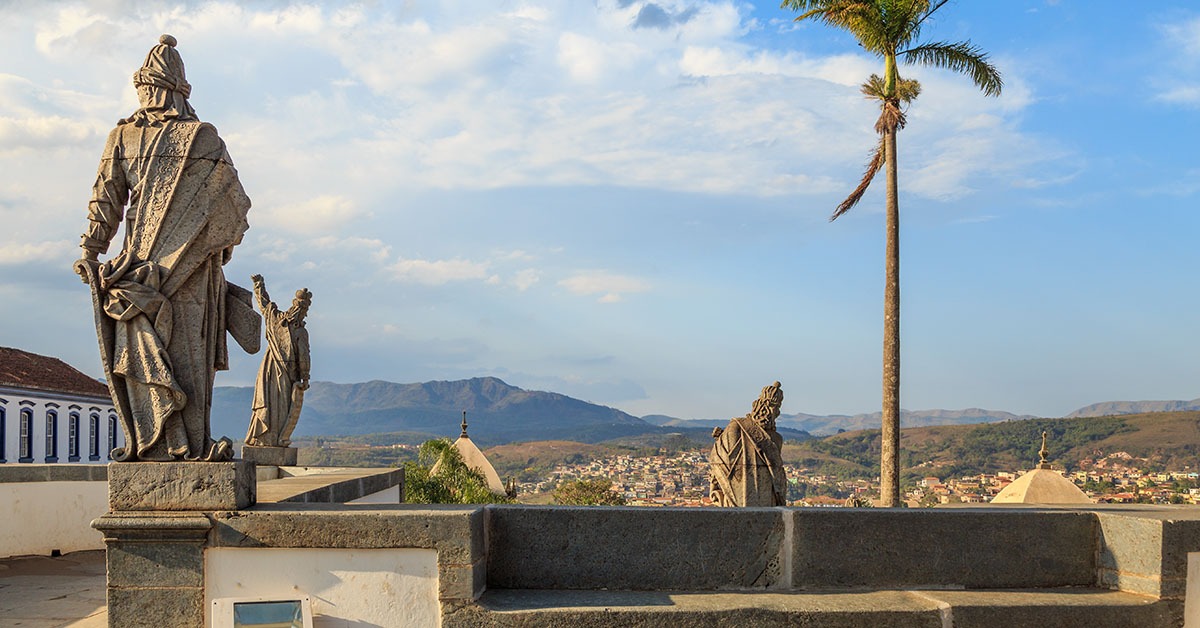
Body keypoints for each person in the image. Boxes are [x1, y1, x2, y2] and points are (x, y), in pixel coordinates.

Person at [75, 34, 256, 462]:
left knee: (176, 357)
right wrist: (91, 250)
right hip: (163, 268)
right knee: (170, 355)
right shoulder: (176, 138)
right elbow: (231, 210)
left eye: (146, 88)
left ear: (153, 87)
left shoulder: (181, 138)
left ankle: (177, 444)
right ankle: (169, 443)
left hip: (163, 268)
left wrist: (92, 249)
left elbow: (106, 201)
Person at [245, 275, 311, 448]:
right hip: (282, 370)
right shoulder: (297, 330)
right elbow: (304, 355)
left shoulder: (277, 319)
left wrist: (259, 285)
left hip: (272, 368)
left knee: (271, 404)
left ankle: (266, 439)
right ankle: (270, 439)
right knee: (278, 407)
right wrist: (305, 377)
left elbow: (264, 304)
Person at [709, 381, 787, 507]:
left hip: (766, 498)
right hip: (739, 494)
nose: (776, 412)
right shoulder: (736, 427)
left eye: (777, 407)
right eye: (773, 406)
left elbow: (777, 473)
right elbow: (724, 459)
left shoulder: (776, 439)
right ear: (762, 405)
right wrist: (722, 439)